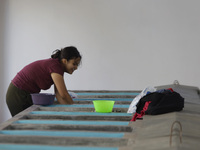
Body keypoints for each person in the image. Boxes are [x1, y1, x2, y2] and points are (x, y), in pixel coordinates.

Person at [6, 46, 82, 116]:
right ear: (65, 61)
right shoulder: (55, 67)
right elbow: (64, 94)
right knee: (22, 126)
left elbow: (59, 95)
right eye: (74, 64)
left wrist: (69, 111)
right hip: (17, 94)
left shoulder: (57, 68)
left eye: (77, 65)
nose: (76, 67)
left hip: (23, 94)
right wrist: (75, 110)